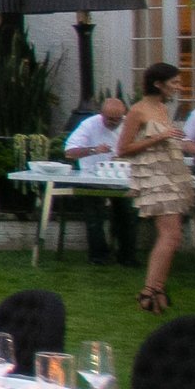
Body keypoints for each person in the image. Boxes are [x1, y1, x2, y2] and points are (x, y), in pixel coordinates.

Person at [121, 62, 195, 312]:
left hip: (172, 175)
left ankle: (156, 289)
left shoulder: (163, 108)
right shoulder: (138, 110)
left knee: (173, 236)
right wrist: (160, 137)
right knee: (170, 235)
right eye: (174, 82)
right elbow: (123, 149)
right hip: (154, 178)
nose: (179, 87)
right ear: (158, 84)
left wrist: (180, 142)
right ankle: (149, 291)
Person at [65, 95, 138, 268]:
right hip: (92, 177)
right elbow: (69, 152)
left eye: (118, 119)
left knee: (128, 214)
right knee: (94, 216)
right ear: (101, 114)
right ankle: (98, 256)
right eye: (110, 119)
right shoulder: (89, 125)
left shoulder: (129, 124)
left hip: (122, 179)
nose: (114, 123)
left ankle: (127, 256)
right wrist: (93, 150)